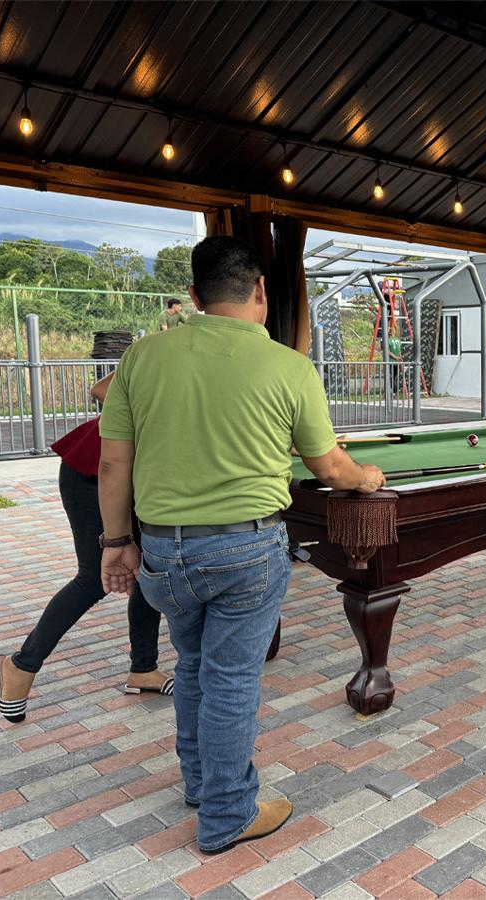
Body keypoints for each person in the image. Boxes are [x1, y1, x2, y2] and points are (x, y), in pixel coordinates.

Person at [97, 236, 385, 855]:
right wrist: (368, 478)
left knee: (195, 666)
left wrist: (115, 542)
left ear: (195, 297)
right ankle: (228, 814)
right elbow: (331, 466)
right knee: (231, 679)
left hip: (160, 554)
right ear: (260, 290)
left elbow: (113, 465)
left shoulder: (142, 358)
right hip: (245, 552)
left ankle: (201, 787)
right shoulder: (289, 365)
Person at [0, 373, 172, 723]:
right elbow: (100, 389)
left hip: (140, 477)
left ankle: (143, 669)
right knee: (92, 579)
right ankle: (18, 665)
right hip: (93, 471)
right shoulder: (162, 352)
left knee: (148, 571)